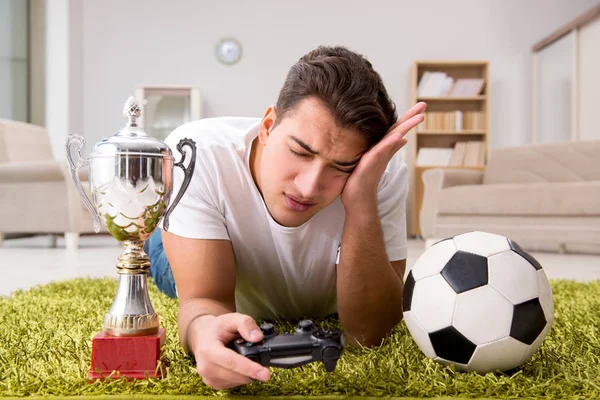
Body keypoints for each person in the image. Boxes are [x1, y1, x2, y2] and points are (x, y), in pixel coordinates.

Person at [145, 45, 426, 390]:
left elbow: (369, 332)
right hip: (206, 242)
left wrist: (362, 201)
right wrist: (203, 333)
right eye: (299, 152)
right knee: (157, 256)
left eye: (341, 168)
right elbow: (204, 301)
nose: (308, 188)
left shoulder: (380, 170)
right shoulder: (197, 152)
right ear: (267, 126)